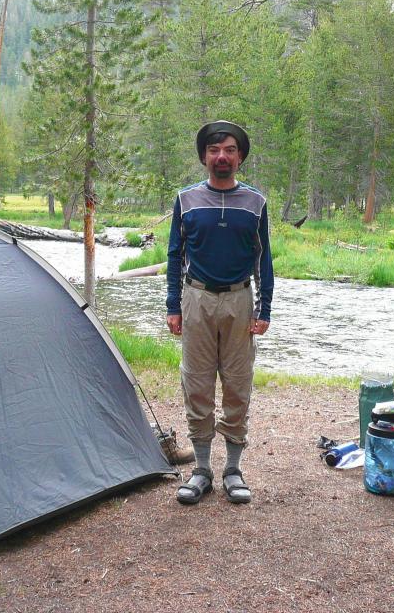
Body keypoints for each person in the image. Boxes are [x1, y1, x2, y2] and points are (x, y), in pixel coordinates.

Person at [166, 120, 273, 505]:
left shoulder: (256, 203)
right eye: (214, 150)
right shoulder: (186, 200)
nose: (221, 156)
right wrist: (172, 305)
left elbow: (265, 259)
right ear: (204, 157)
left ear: (240, 157)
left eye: (229, 150)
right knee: (195, 382)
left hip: (240, 300)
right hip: (196, 300)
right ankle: (201, 470)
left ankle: (233, 469)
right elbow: (176, 255)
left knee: (237, 384)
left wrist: (266, 307)